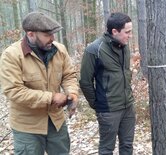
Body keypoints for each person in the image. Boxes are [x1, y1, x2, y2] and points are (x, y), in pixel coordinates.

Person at [0, 12, 79, 155]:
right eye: (47, 35)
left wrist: (72, 92)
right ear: (30, 34)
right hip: (27, 127)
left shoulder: (60, 50)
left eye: (53, 34)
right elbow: (14, 91)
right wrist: (52, 97)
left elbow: (69, 75)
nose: (52, 38)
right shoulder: (11, 56)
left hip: (56, 121)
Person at [79, 12, 135, 155]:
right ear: (114, 31)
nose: (130, 35)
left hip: (128, 106)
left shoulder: (125, 46)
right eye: (127, 32)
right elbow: (85, 82)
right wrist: (97, 104)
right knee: (106, 150)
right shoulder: (94, 50)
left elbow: (125, 74)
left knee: (127, 146)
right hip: (108, 110)